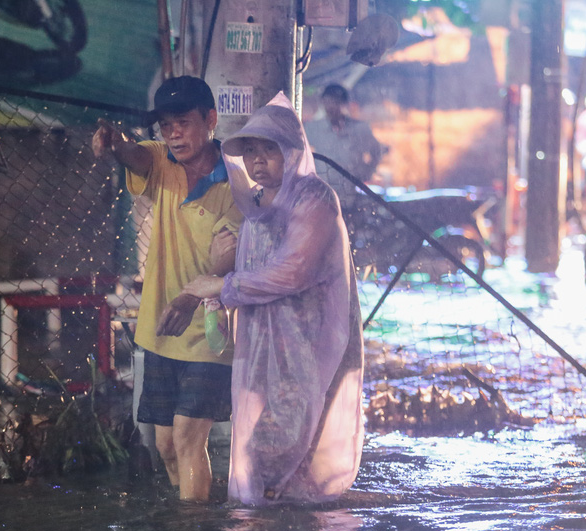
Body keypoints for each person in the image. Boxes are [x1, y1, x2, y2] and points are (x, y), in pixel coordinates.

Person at [161, 92, 364, 505]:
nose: (257, 161)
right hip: (262, 346)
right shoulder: (254, 202)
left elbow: (293, 271)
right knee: (275, 449)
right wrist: (213, 295)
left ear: (292, 152)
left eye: (268, 150)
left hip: (306, 346)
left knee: (279, 446)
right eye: (251, 151)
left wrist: (221, 287)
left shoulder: (314, 198)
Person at [92, 76, 243, 501]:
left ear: (210, 120)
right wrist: (114, 140)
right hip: (159, 327)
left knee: (187, 440)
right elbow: (133, 154)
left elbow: (228, 259)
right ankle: (193, 526)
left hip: (208, 333)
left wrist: (195, 291)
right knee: (164, 446)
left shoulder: (234, 183)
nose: (173, 133)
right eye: (165, 125)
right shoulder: (161, 161)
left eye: (183, 122)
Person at [304, 83, 384, 211]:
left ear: (344, 104)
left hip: (351, 193)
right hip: (322, 194)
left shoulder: (359, 129)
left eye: (335, 102)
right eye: (327, 102)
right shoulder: (314, 128)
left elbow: (376, 151)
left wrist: (366, 172)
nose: (331, 107)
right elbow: (302, 152)